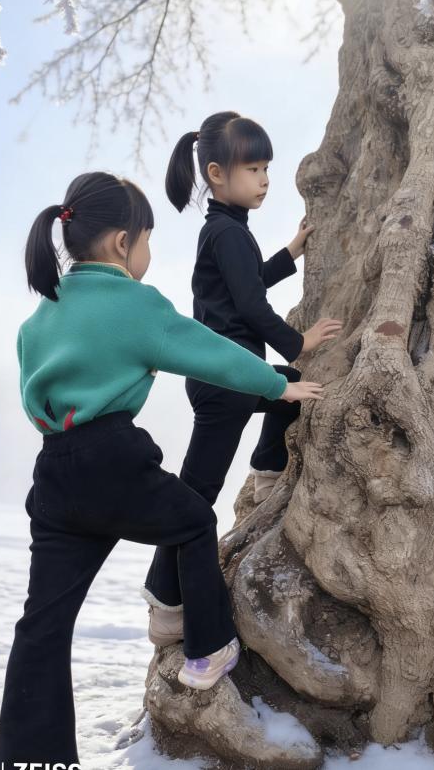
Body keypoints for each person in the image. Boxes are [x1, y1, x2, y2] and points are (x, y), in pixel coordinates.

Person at [0, 171, 323, 767]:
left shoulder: (40, 317)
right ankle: (207, 649)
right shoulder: (135, 305)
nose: (148, 253)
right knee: (192, 520)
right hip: (114, 458)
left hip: (55, 471)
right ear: (123, 243)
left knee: (42, 622)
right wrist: (278, 385)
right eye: (147, 240)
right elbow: (209, 350)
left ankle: (29, 758)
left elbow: (30, 395)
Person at [140, 111, 342, 649]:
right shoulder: (226, 234)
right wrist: (300, 341)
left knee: (291, 395)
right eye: (253, 168)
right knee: (196, 495)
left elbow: (240, 286)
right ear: (215, 173)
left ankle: (266, 472)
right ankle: (164, 604)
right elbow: (251, 307)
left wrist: (289, 253)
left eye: (266, 168)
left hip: (226, 376)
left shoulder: (225, 232)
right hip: (228, 381)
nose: (264, 179)